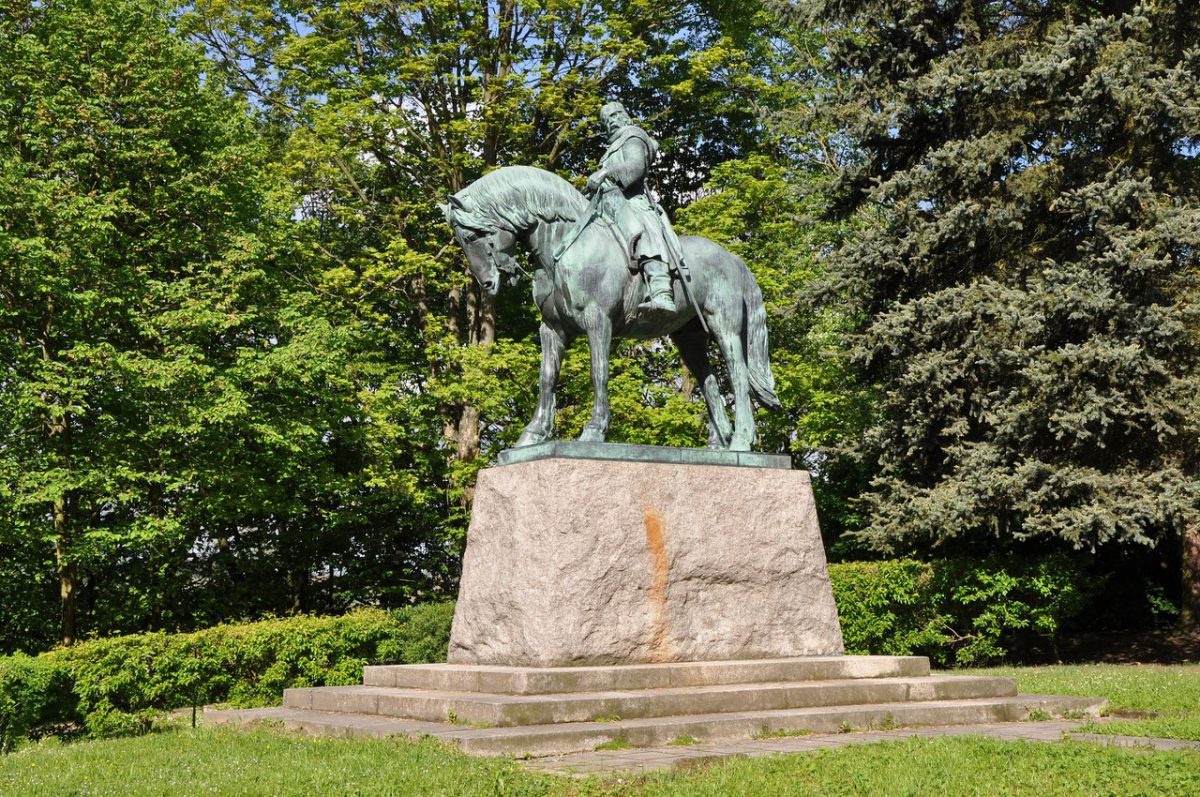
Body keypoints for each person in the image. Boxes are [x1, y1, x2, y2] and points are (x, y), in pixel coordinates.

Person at [585, 101, 682, 315]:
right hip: (608, 204)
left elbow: (635, 168)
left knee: (641, 230)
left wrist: (603, 173)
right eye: (606, 119)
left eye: (615, 115)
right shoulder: (611, 149)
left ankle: (661, 289)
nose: (612, 121)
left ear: (625, 115)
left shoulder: (633, 136)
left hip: (633, 201)